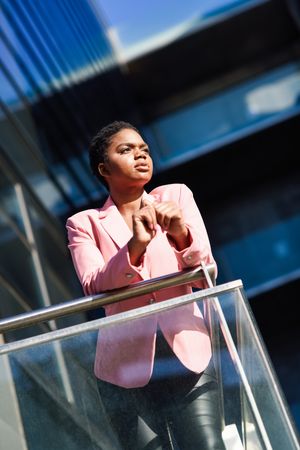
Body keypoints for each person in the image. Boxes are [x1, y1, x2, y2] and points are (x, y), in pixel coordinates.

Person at [66, 121, 226, 450]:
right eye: (126, 150)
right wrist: (134, 248)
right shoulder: (84, 223)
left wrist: (181, 233)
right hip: (123, 375)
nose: (140, 155)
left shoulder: (176, 196)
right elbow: (92, 286)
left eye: (144, 150)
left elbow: (206, 272)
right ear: (104, 168)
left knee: (208, 446)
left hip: (189, 356)